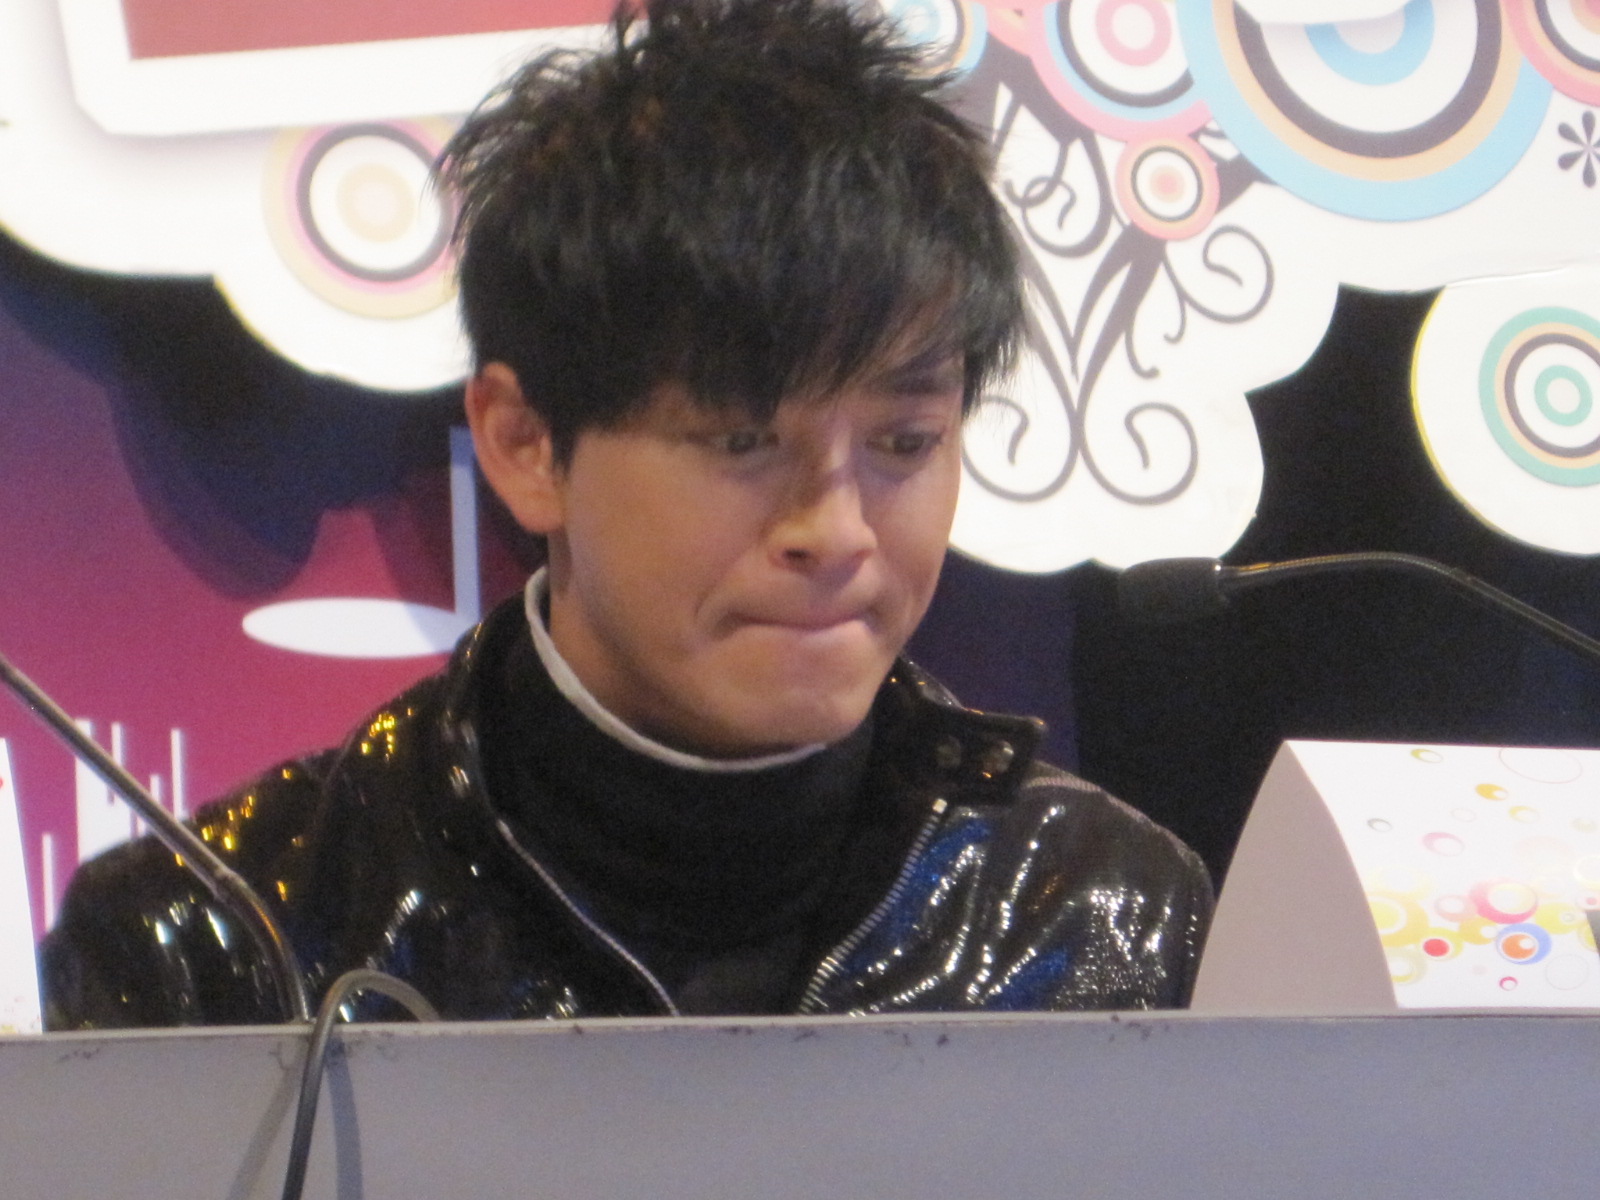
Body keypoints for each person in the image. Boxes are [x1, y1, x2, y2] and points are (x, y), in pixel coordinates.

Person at [39, 0, 1211, 1027]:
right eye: (742, 441)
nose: (838, 530)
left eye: (904, 444)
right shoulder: (217, 940)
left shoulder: (1103, 910)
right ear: (525, 443)